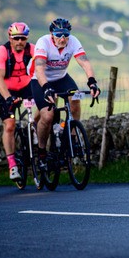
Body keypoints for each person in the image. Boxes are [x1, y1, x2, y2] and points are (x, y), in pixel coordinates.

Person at [29, 18, 100, 170]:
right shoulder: (43, 43)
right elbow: (39, 69)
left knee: (75, 98)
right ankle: (41, 153)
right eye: (58, 34)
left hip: (62, 78)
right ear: (51, 34)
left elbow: (85, 62)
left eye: (65, 35)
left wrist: (92, 82)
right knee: (47, 116)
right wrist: (46, 87)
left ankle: (72, 137)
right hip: (40, 80)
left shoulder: (73, 41)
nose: (62, 38)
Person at [0, 22, 35, 181]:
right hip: (7, 90)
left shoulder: (32, 49)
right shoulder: (2, 51)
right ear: (10, 38)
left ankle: (36, 131)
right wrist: (8, 98)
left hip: (26, 86)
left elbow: (41, 68)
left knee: (45, 109)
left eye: (23, 38)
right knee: (10, 125)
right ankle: (12, 166)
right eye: (16, 38)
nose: (19, 42)